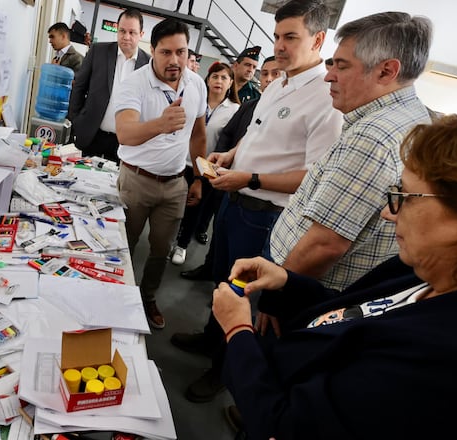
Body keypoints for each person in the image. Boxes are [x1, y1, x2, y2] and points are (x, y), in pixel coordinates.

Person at [213, 108, 457, 439]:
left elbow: (288, 426)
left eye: (407, 198)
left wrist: (237, 331)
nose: (389, 214)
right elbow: (351, 311)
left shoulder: (443, 357)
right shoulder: (421, 273)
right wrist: (287, 281)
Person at [171, 0, 343, 403]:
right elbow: (258, 134)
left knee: (243, 298)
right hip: (236, 202)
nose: (279, 46)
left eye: (291, 37)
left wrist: (249, 177)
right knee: (221, 283)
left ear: (318, 39)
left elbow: (312, 176)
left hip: (265, 215)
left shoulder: (325, 100)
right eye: (277, 36)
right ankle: (210, 340)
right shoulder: (279, 82)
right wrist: (232, 156)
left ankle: (223, 372)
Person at [261, 12, 434, 335]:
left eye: (341, 66)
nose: (329, 77)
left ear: (386, 70)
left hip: (304, 292)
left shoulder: (373, 137)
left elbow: (325, 243)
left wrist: (277, 297)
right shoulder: (409, 116)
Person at [114, 18, 208, 329]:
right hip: (135, 180)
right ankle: (115, 298)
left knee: (160, 250)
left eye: (181, 52)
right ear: (151, 50)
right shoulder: (134, 84)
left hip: (174, 184)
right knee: (122, 245)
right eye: (166, 52)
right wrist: (161, 124)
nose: (174, 61)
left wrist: (198, 178)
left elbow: (198, 134)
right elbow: (125, 133)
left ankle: (147, 297)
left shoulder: (196, 84)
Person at [181, 56, 282, 280]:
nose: (268, 79)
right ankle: (210, 270)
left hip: (256, 199)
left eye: (276, 74)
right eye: (264, 74)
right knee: (220, 234)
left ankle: (225, 290)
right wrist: (225, 156)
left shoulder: (281, 111)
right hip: (225, 180)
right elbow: (234, 135)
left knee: (241, 263)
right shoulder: (252, 106)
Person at [172, 62, 239, 265]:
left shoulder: (235, 110)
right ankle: (169, 239)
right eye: (215, 76)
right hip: (183, 161)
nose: (218, 81)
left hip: (209, 168)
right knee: (175, 205)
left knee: (196, 208)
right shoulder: (194, 101)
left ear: (231, 83)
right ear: (207, 80)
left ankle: (181, 245)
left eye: (224, 78)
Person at [68, 8, 150, 163]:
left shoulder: (148, 64)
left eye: (132, 32)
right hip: (92, 135)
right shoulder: (98, 51)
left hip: (125, 144)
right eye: (122, 31)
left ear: (141, 34)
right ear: (117, 30)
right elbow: (79, 87)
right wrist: (76, 119)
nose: (126, 37)